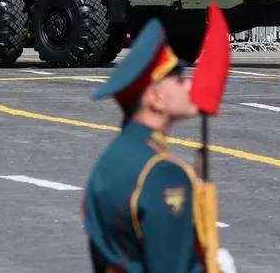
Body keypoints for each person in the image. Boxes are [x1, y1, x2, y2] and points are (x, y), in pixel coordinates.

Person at [84, 18, 233, 273]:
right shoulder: (163, 174)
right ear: (155, 98)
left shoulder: (112, 160)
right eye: (177, 79)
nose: (189, 85)